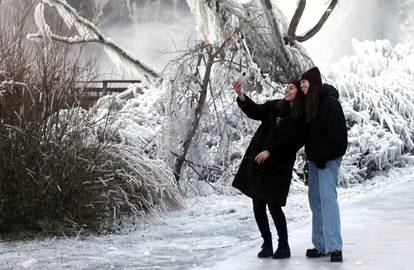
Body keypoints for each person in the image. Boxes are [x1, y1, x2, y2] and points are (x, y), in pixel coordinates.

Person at [231, 78, 305, 259]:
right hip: (260, 163)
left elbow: (293, 141)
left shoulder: (300, 116)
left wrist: (270, 151)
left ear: (299, 93)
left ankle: (284, 245)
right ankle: (267, 243)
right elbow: (255, 111)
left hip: (279, 165)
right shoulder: (274, 106)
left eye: (292, 88)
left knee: (273, 205)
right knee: (257, 203)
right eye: (287, 87)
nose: (287, 91)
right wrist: (241, 95)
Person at [299, 67, 348, 262]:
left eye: (305, 82)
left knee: (327, 200)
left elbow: (339, 138)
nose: (302, 84)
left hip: (329, 160)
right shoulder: (309, 104)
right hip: (315, 160)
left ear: (314, 84)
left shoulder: (330, 103)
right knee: (315, 201)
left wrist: (323, 156)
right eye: (301, 82)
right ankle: (320, 245)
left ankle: (335, 247)